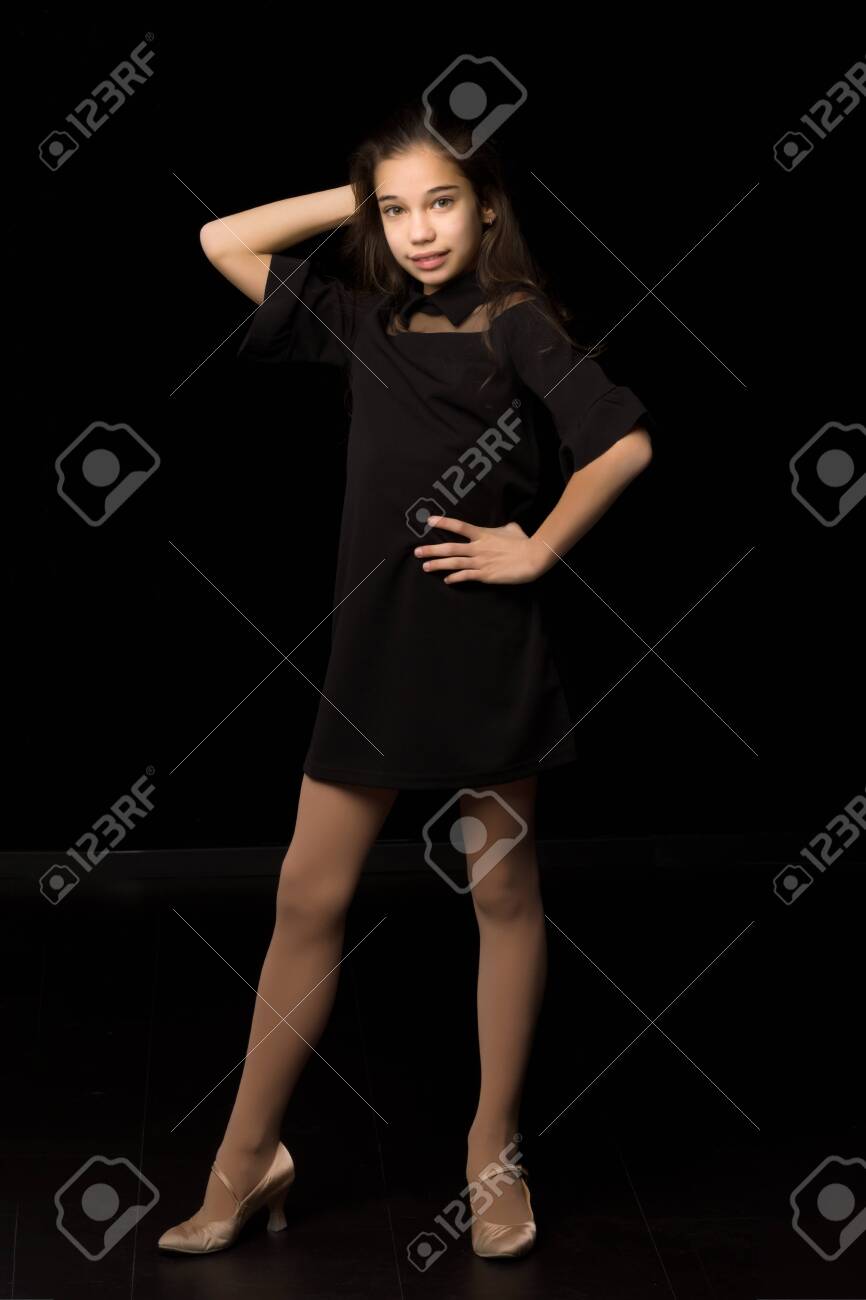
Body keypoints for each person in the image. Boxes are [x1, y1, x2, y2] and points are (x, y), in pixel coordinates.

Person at [158, 102, 654, 1262]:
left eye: (441, 202)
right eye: (396, 211)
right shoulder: (361, 318)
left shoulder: (514, 321)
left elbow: (622, 442)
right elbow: (222, 239)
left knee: (500, 895)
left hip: (482, 651)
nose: (420, 230)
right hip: (372, 652)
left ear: (486, 208)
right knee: (305, 897)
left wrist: (534, 546)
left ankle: (491, 1150)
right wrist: (360, 193)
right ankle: (247, 1157)